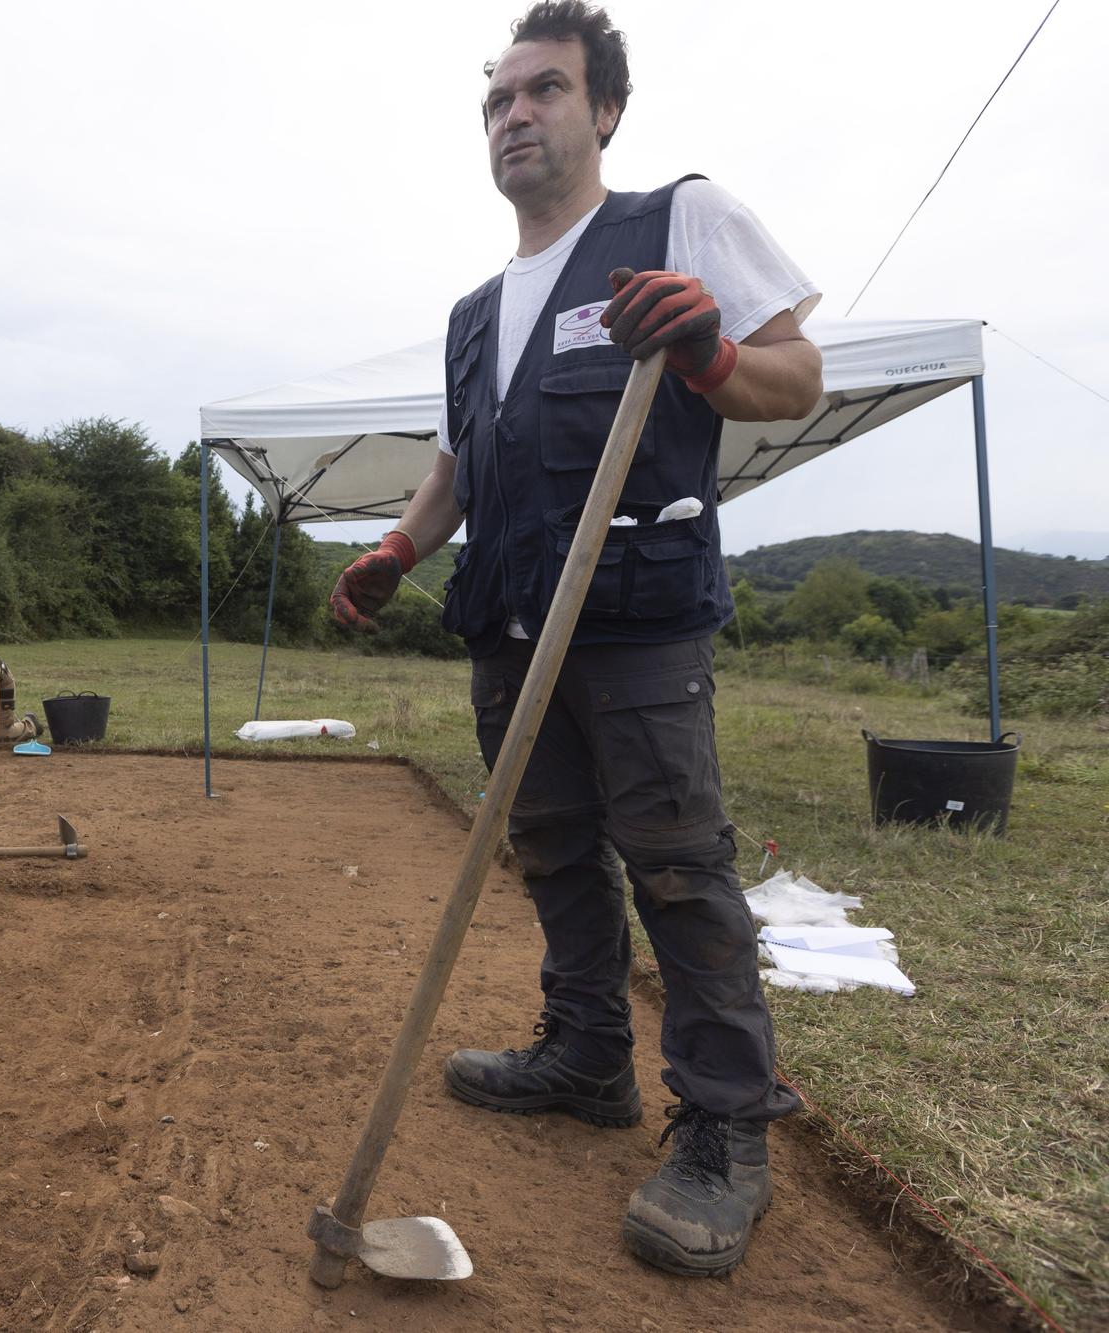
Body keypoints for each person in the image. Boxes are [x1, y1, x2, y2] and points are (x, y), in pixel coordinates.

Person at [328, 1, 823, 1278]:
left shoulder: (677, 222)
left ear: (602, 109)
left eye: (542, 91)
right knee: (550, 847)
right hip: (505, 616)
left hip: (634, 614)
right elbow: (458, 460)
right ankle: (585, 1054)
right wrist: (396, 551)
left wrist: (709, 349)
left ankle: (723, 1129)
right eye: (496, 100)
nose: (514, 116)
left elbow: (796, 376)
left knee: (675, 864)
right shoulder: (473, 311)